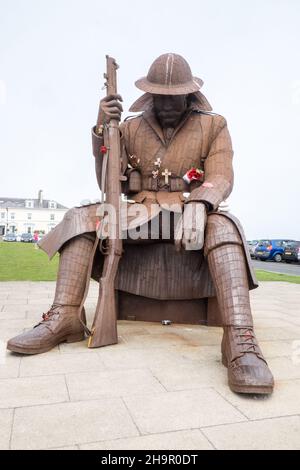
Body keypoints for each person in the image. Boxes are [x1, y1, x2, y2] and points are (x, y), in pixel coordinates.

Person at [7, 53, 274, 394]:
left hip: (191, 208)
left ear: (188, 94)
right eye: (160, 96)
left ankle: (239, 339)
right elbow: (109, 184)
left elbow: (222, 174)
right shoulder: (130, 126)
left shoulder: (214, 124)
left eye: (173, 96)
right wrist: (103, 130)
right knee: (78, 216)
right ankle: (66, 317)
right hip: (141, 211)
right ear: (149, 94)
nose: (166, 104)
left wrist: (203, 202)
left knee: (225, 227)